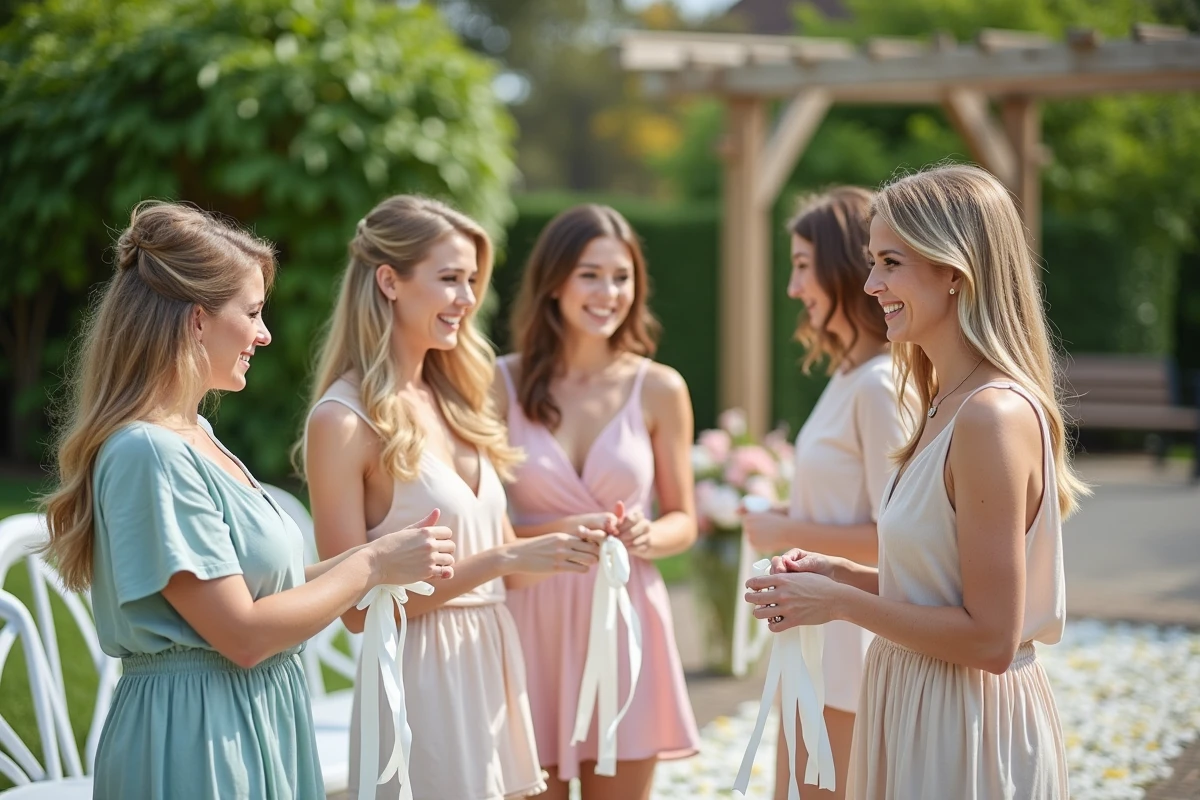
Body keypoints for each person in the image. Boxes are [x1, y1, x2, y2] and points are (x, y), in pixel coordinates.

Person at [41, 202, 456, 800]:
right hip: (198, 738)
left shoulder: (196, 437)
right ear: (197, 320)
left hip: (254, 716)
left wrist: (382, 556)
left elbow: (263, 594)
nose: (264, 334)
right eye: (254, 313)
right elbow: (242, 634)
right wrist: (372, 565)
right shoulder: (147, 453)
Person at [746, 164, 1086, 799]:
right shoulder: (940, 404)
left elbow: (989, 637)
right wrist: (840, 575)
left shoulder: (990, 414)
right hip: (915, 703)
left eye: (890, 263)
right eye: (873, 262)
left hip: (963, 723)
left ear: (953, 272)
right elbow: (942, 589)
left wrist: (841, 604)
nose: (870, 284)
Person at [303, 195, 605, 800]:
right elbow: (356, 611)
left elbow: (489, 557)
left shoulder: (457, 400)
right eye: (449, 279)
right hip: (418, 684)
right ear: (390, 281)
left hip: (491, 665)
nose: (468, 298)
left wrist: (559, 541)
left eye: (472, 280)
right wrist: (500, 560)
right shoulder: (342, 421)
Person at [495, 204, 701, 800]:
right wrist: (567, 528)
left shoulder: (660, 388)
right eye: (590, 274)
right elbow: (484, 520)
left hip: (626, 618)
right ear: (554, 281)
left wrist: (648, 536)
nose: (609, 292)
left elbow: (683, 520)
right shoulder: (497, 384)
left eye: (622, 276)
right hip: (530, 621)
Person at [740, 187, 911, 800]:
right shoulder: (849, 376)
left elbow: (896, 539)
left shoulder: (878, 384)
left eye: (803, 265)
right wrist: (789, 517)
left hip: (849, 650)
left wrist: (785, 532)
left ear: (843, 265)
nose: (793, 288)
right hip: (818, 639)